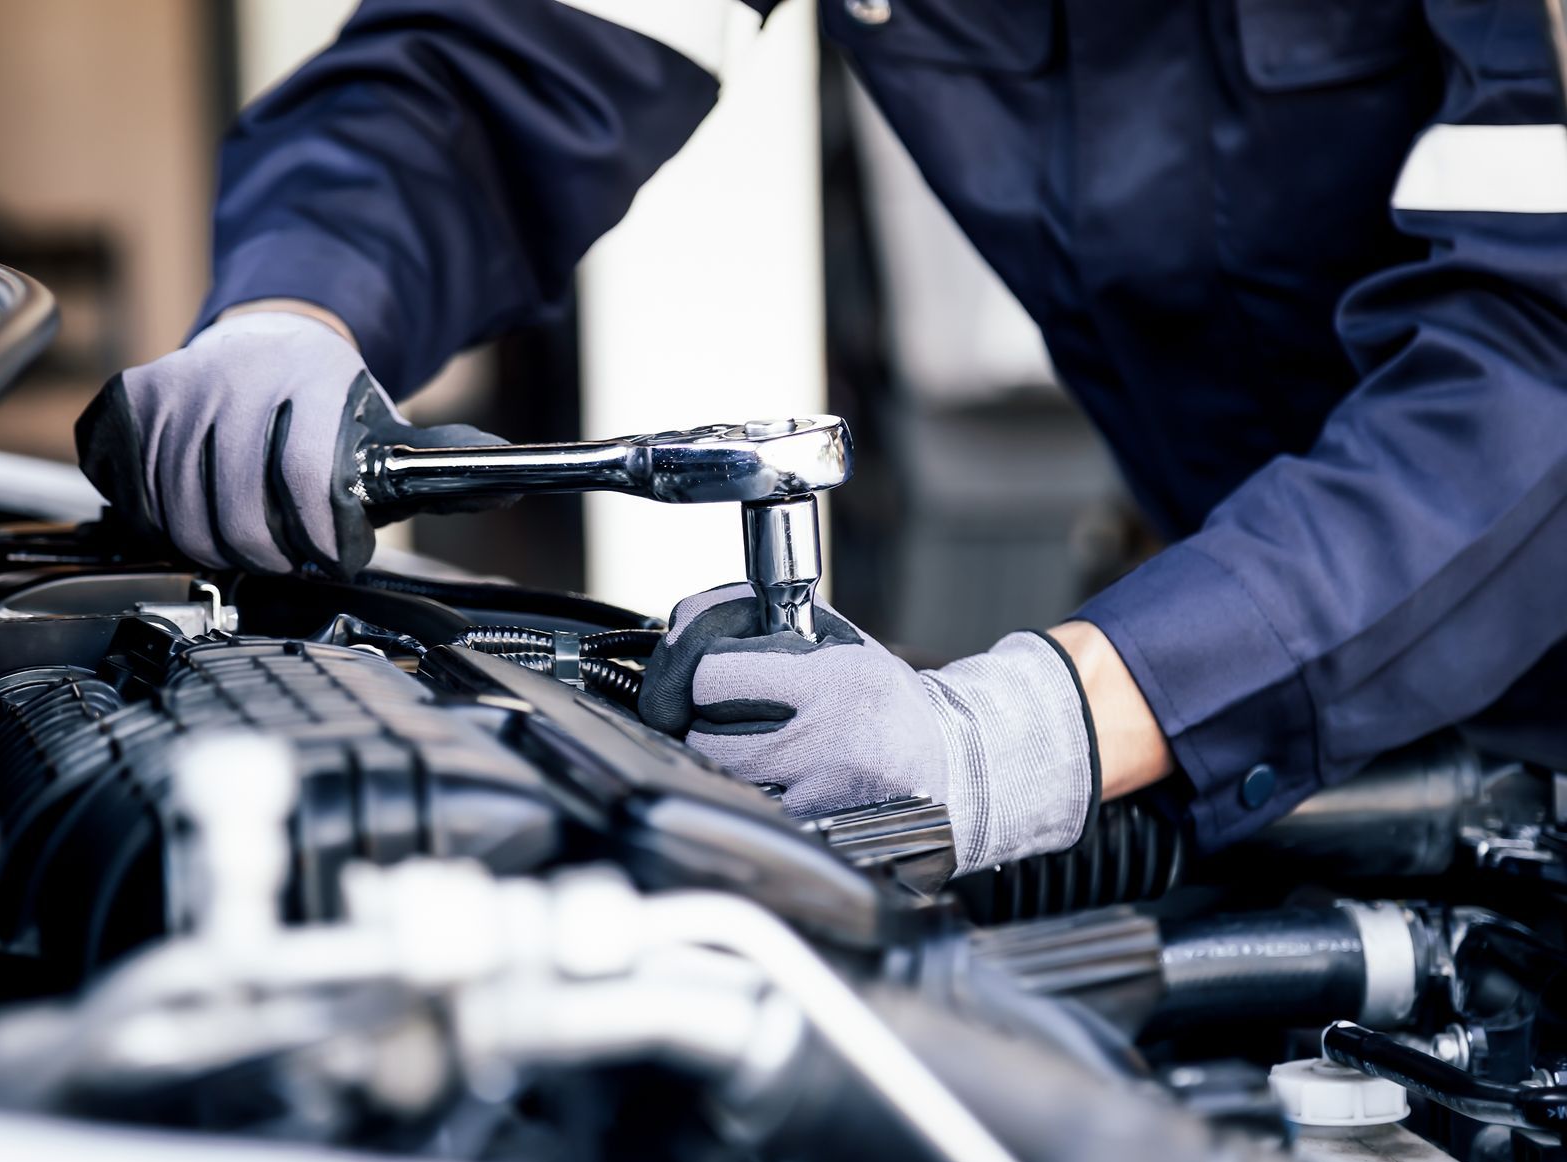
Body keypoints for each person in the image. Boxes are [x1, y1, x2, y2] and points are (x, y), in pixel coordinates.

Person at [78, 0, 1567, 875]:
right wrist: (294, 309)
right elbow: (485, 75)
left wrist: (1046, 728)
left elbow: (1540, 362)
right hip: (1270, 681)